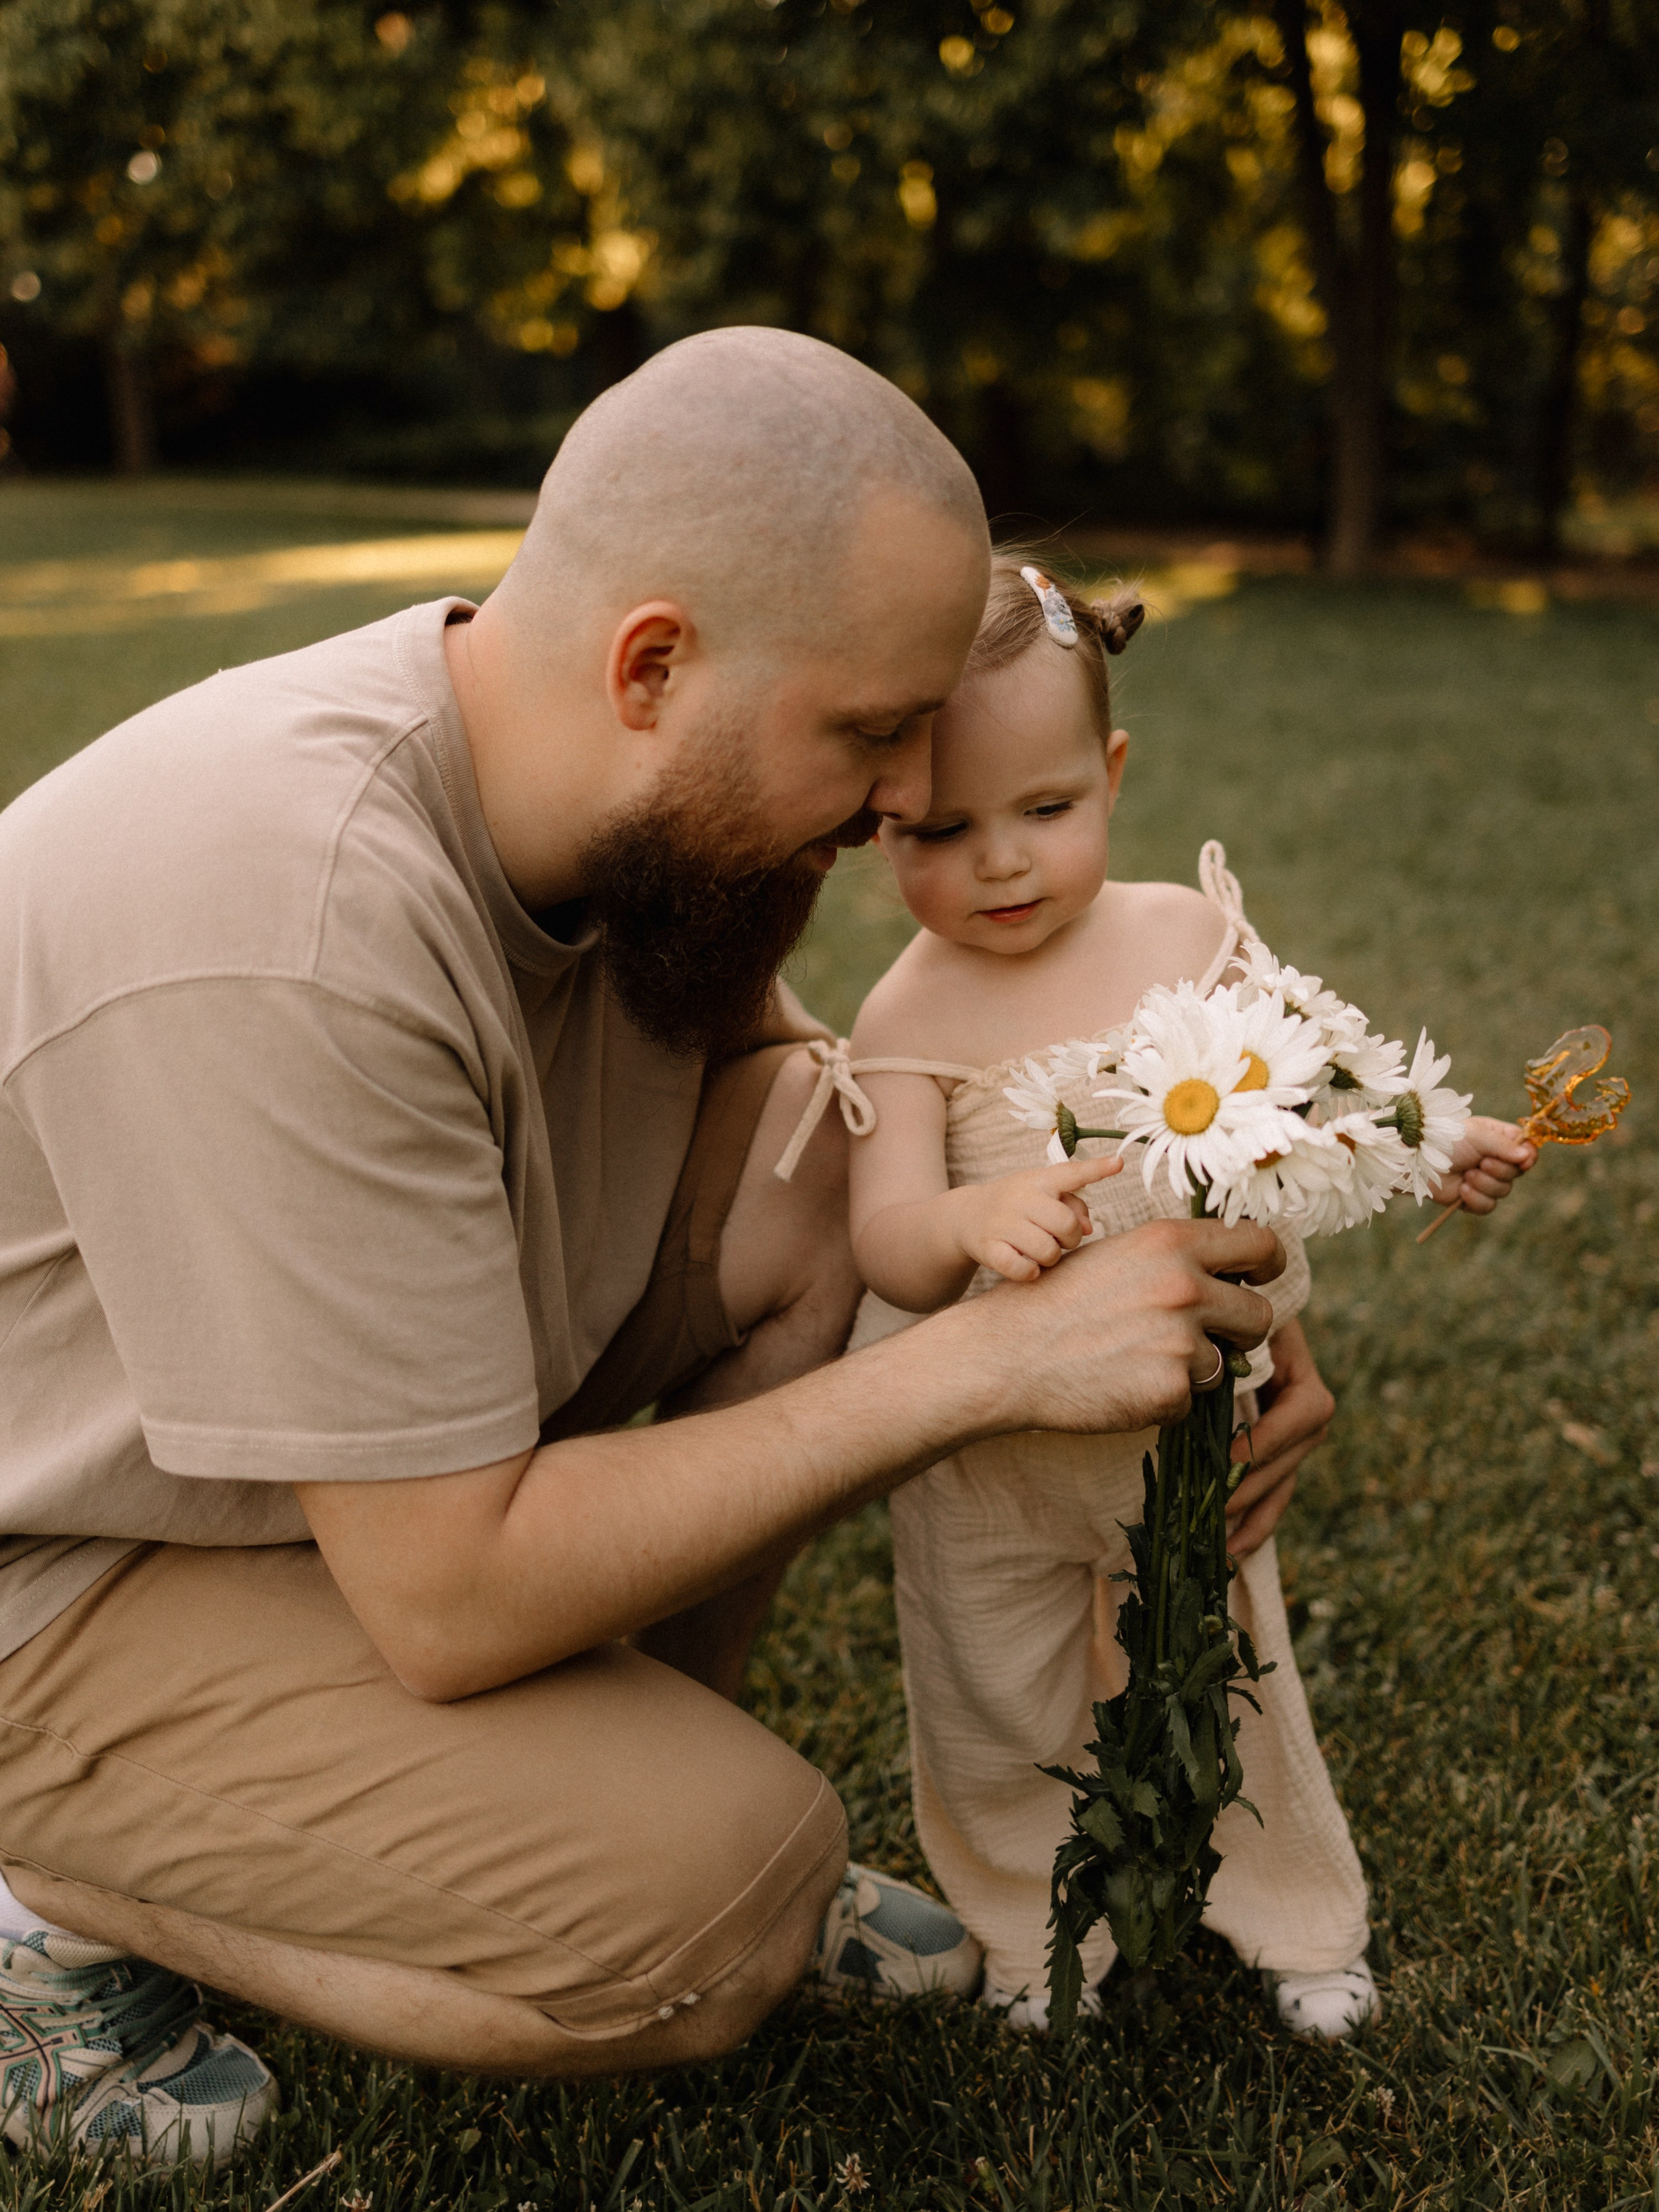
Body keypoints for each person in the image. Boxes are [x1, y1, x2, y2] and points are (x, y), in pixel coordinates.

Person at [0, 334, 1301, 2167]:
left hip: (294, 1454)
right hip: (58, 1566)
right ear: (656, 664)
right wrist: (994, 1362)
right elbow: (452, 1597)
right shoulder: (285, 911)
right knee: (712, 1909)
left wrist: (1211, 1277)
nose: (890, 805)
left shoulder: (609, 786)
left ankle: (608, 1755)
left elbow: (811, 1113)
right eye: (865, 735)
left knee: (803, 1163)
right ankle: (43, 1890)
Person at [826, 554, 1536, 2034]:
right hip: (987, 1458)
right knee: (989, 1698)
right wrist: (970, 1213)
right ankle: (1032, 1934)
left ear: (1113, 771)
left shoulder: (1181, 938)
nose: (1001, 864)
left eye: (1045, 809)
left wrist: (1436, 1134)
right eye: (940, 832)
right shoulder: (908, 1009)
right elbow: (884, 1240)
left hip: (1187, 1426)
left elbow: (1320, 1098)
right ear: (879, 821)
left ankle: (1289, 1916)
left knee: (1229, 1678)